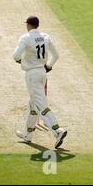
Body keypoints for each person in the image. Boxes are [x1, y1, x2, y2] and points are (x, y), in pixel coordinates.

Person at [13, 16, 67, 149]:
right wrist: (48, 66)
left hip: (32, 74)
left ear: (28, 25)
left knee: (41, 105)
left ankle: (57, 130)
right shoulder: (46, 36)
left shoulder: (25, 38)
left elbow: (16, 56)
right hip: (42, 73)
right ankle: (27, 134)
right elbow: (56, 55)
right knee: (33, 104)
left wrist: (22, 62)